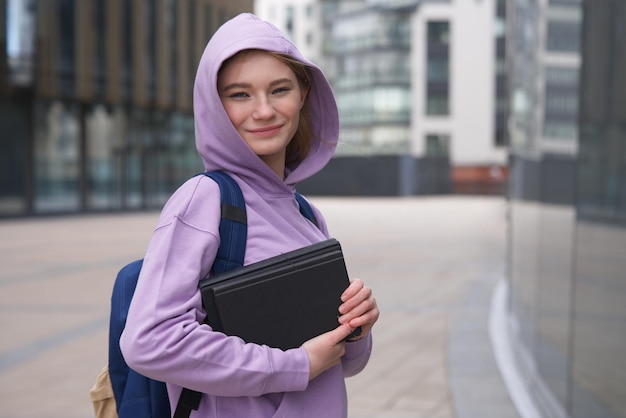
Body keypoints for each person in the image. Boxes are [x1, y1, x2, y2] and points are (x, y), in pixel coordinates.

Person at [120, 13, 379, 418]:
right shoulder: (204, 200)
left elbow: (343, 364)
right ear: (213, 105)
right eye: (240, 95)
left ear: (303, 93)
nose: (263, 111)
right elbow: (150, 341)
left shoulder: (306, 213)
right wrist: (294, 365)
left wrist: (356, 327)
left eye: (279, 90)